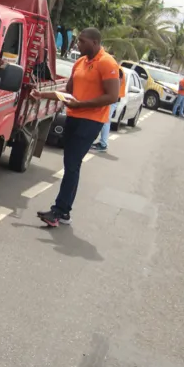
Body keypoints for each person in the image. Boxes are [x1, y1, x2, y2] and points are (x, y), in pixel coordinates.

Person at [32, 27, 119, 227]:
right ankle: (64, 212)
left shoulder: (107, 63)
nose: (77, 44)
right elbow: (68, 91)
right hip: (73, 117)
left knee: (72, 164)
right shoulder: (80, 62)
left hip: (91, 121)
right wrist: (42, 95)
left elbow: (112, 96)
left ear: (95, 43)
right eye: (78, 41)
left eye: (82, 41)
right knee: (71, 165)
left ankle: (60, 211)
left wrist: (81, 105)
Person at [92, 65, 126, 153]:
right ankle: (101, 142)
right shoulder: (116, 69)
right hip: (111, 98)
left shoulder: (117, 70)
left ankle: (103, 144)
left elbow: (117, 82)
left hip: (112, 99)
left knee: (105, 120)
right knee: (104, 120)